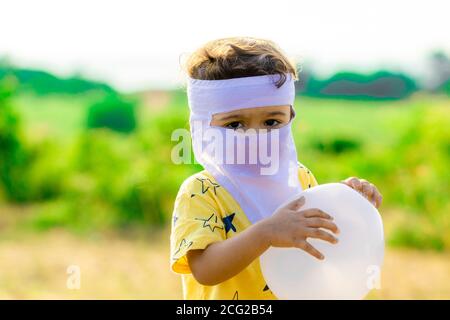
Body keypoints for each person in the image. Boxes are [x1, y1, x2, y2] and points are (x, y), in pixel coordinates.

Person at [170, 37, 382, 299]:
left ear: (290, 117)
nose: (256, 135)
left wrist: (346, 202)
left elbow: (319, 243)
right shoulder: (202, 191)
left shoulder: (299, 177)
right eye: (235, 124)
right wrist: (267, 232)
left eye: (272, 121)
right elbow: (205, 270)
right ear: (202, 128)